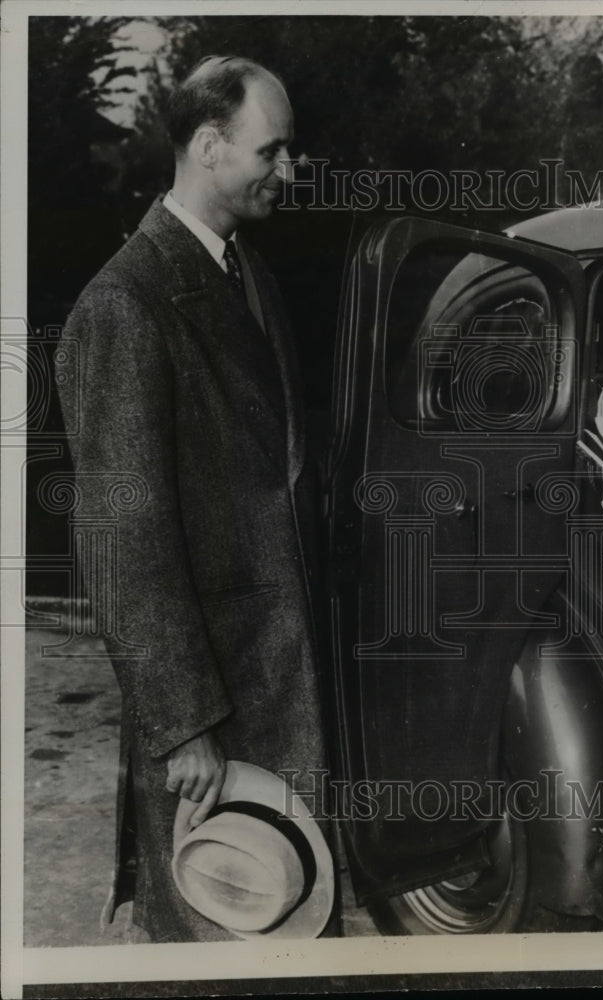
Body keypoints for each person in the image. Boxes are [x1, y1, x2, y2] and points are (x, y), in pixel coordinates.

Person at [57, 56, 331, 942]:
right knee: (214, 942)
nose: (289, 171)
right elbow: (121, 540)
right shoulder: (126, 306)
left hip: (273, 687)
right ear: (210, 146)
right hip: (215, 720)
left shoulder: (248, 276)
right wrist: (183, 730)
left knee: (276, 929)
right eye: (273, 150)